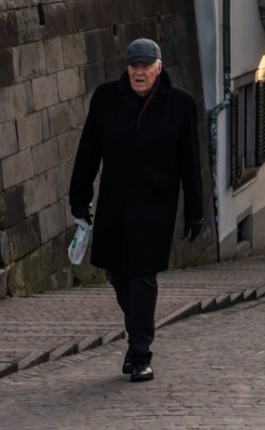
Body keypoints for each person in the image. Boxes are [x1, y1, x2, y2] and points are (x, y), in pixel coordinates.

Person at [69, 38, 204, 383]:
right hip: (114, 206)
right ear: (127, 68)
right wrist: (79, 200)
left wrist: (195, 210)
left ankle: (141, 352)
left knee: (143, 279)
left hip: (155, 209)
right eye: (134, 66)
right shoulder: (106, 99)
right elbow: (88, 152)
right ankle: (137, 333)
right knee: (118, 276)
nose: (139, 72)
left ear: (159, 67)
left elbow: (190, 162)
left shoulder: (180, 105)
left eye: (146, 66)